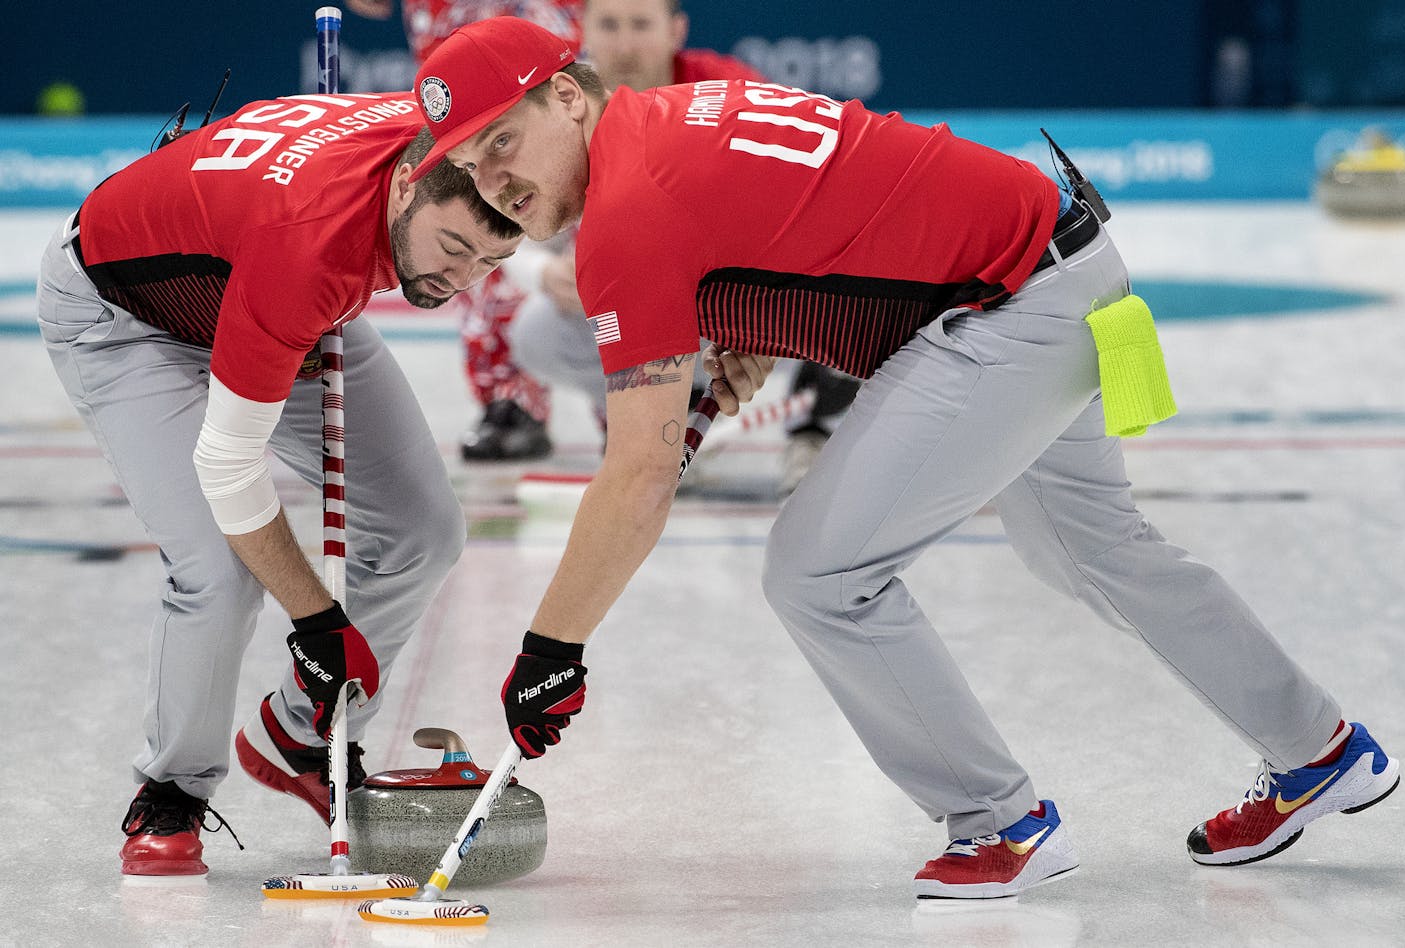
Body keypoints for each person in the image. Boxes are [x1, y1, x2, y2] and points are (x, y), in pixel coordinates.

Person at [410, 17, 1400, 899]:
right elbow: (810, 221)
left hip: (1007, 307)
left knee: (819, 572)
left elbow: (635, 478)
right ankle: (1319, 749)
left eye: (505, 140)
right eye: (471, 163)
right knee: (1095, 549)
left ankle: (996, 824)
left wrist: (548, 652)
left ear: (569, 96)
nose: (495, 179)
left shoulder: (626, 210)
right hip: (1064, 258)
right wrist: (750, 331)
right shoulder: (672, 116)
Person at [35, 90, 526, 876]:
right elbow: (228, 467)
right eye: (453, 246)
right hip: (132, 320)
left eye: (490, 261)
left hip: (270, 291)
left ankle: (300, 732)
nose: (460, 279)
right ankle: (172, 788)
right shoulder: (311, 250)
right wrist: (317, 622)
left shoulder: (431, 139)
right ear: (406, 185)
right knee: (218, 569)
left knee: (422, 531)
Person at [505, 0, 861, 487]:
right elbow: (502, 223)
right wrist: (544, 274)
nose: (625, 44)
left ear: (676, 30)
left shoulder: (731, 89)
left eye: (640, 25)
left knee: (852, 297)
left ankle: (817, 417)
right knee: (536, 333)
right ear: (582, 30)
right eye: (609, 25)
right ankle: (665, 413)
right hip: (649, 310)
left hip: (744, 298)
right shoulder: (556, 108)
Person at [348, 0, 584, 461]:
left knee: (566, 158)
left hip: (546, 17)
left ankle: (619, 387)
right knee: (472, 192)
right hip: (453, 19)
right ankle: (510, 396)